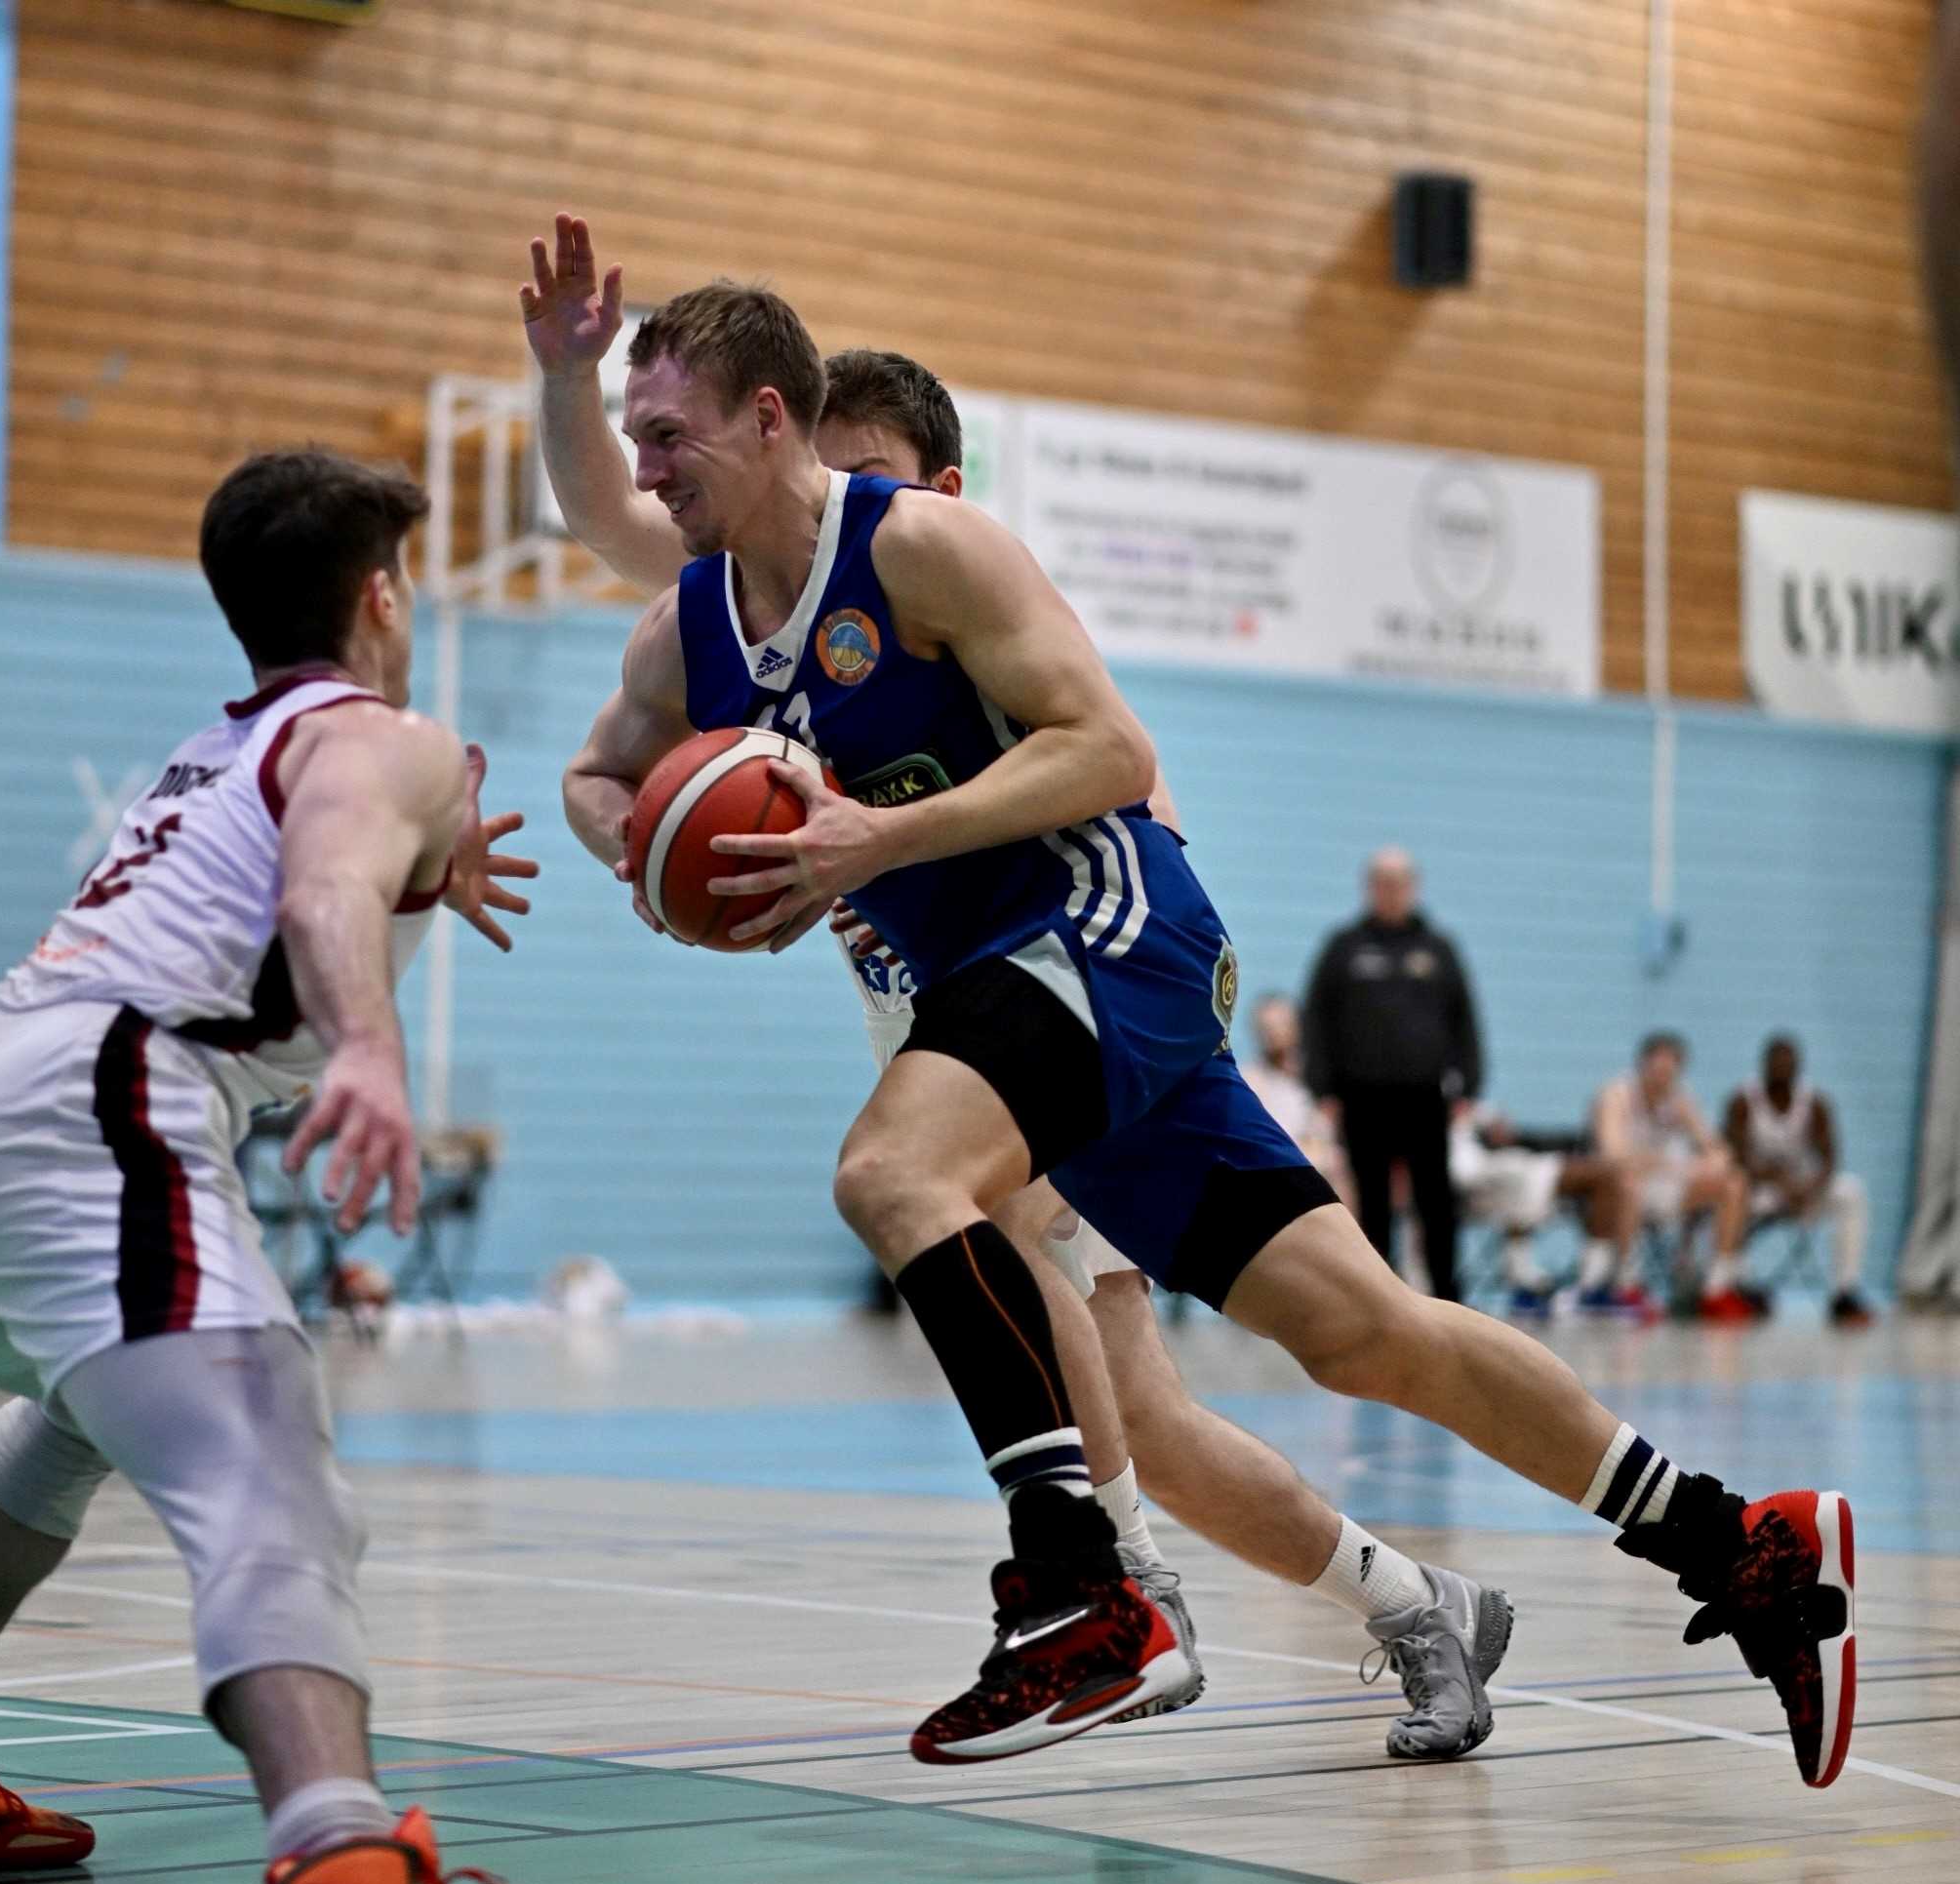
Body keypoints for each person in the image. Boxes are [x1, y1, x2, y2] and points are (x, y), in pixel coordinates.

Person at [549, 259, 1856, 1787]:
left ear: (767, 421)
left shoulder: (924, 549)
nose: (644, 469)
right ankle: (1739, 1542)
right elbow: (595, 774)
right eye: (632, 435)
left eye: (666, 432)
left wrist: (875, 843)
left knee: (894, 1174)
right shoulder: (688, 627)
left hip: (1102, 930)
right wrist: (654, 870)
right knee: (1362, 1332)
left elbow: (1110, 747)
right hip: (1023, 987)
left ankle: (1087, 1590)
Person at [0, 448, 667, 1884]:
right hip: (85, 1105)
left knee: (71, 1417)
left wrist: (407, 890)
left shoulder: (218, 747)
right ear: (383, 595)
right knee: (266, 1460)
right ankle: (344, 1876)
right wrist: (371, 1041)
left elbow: (318, 872)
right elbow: (322, 887)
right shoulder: (384, 733)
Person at [1300, 851, 1481, 1303]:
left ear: (1413, 887)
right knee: (1373, 1203)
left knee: (1436, 1203)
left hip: (1425, 1097)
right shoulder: (1344, 948)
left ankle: (1448, 1296)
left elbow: (1464, 1020)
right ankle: (1380, 1299)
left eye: (1399, 882)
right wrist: (1321, 1088)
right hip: (1362, 1098)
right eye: (1382, 882)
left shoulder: (1438, 949)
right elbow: (1316, 1019)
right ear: (1369, 887)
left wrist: (1470, 1085)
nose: (1391, 891)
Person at [1594, 1032, 1765, 1324]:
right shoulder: (1616, 1095)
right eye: (1657, 1069)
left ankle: (1717, 1287)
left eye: (1670, 1070)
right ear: (1642, 1065)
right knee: (1628, 1183)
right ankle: (1627, 1284)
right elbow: (1613, 1155)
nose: (1663, 1077)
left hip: (1666, 1189)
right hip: (1620, 1194)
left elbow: (1719, 1152)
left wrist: (1703, 1161)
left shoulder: (1680, 1099)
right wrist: (1672, 1163)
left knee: (1733, 1182)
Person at [1449, 1104, 1657, 1321]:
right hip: (1482, 1177)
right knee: (1607, 1176)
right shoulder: (1448, 1127)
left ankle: (1589, 1284)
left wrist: (1486, 1122)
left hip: (1506, 1167)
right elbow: (1463, 1173)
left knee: (1613, 1179)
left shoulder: (1471, 1113)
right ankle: (1587, 1285)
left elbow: (1490, 1123)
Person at [1724, 1036, 1875, 1327]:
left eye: (1789, 1063)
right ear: (1764, 1065)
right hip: (1761, 1189)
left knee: (1851, 1191)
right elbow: (1735, 1156)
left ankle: (1845, 1291)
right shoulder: (1743, 1100)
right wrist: (1778, 1182)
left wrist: (1810, 1187)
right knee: (1732, 1192)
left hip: (1804, 1188)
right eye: (1776, 1062)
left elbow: (1830, 1158)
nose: (1782, 1068)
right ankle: (1740, 1286)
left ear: (1799, 1067)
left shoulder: (1815, 1103)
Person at [1239, 993, 1351, 1205]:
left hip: (1324, 1176)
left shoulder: (1319, 1079)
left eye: (1281, 1024)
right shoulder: (1250, 1081)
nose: (1274, 1033)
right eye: (1266, 1027)